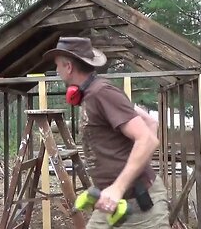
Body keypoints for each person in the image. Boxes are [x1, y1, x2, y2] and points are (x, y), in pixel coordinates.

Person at [43, 37, 170, 228]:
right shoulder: (93, 94)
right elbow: (150, 122)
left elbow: (148, 139)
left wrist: (119, 187)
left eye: (58, 66)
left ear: (68, 67)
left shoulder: (101, 93)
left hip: (141, 206)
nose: (57, 71)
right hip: (110, 201)